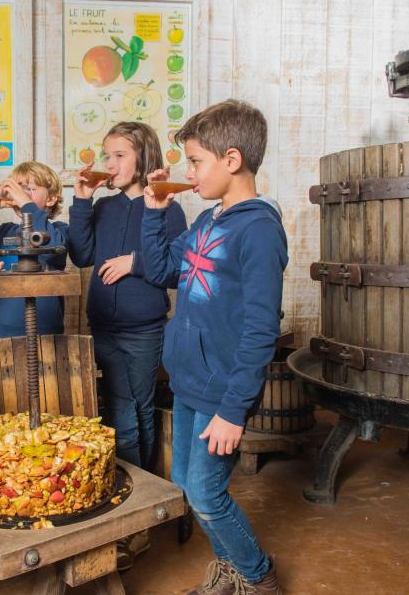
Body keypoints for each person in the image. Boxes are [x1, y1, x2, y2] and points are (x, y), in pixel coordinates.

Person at [141, 100, 287, 594]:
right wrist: (155, 214)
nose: (189, 172)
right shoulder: (206, 223)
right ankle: (230, 568)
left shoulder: (259, 230)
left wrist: (234, 409)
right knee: (187, 483)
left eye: (196, 161)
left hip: (222, 392)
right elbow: (161, 270)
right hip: (188, 382)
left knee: (206, 493)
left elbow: (261, 330)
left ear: (232, 159)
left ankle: (257, 576)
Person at [67, 121, 187, 569]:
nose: (110, 164)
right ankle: (140, 504)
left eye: (120, 155)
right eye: (107, 155)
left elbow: (175, 267)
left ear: (143, 157)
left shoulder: (166, 205)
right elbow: (80, 254)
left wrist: (135, 263)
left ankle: (134, 509)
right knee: (127, 411)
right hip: (103, 325)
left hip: (143, 327)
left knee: (134, 411)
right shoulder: (104, 206)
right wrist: (81, 200)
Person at [0, 161, 68, 338]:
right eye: (18, 189)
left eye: (29, 189)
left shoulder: (59, 231)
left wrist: (27, 205)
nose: (21, 195)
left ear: (51, 198)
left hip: (45, 329)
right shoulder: (4, 231)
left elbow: (52, 246)